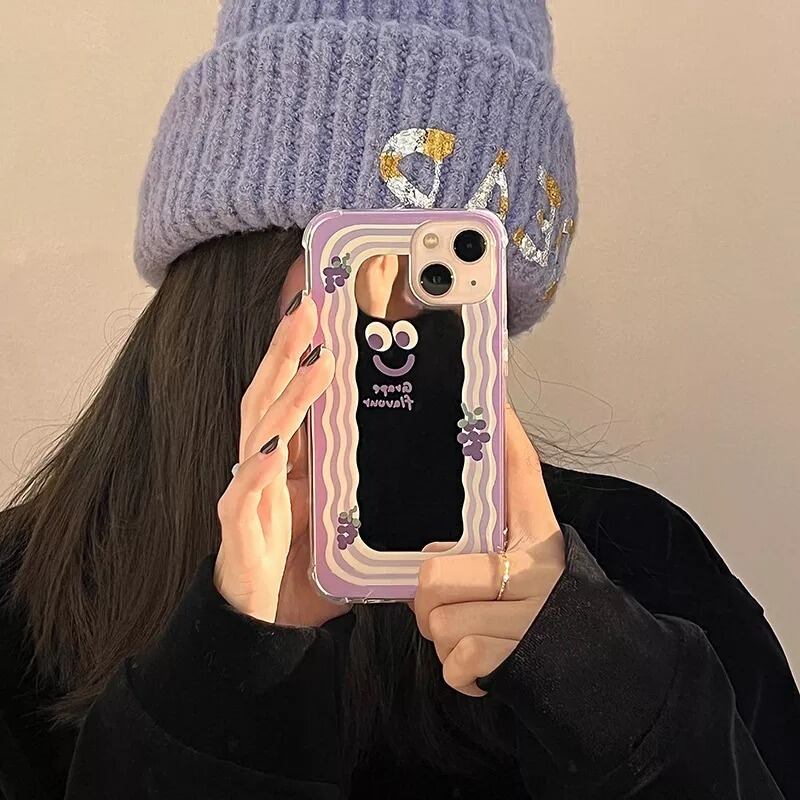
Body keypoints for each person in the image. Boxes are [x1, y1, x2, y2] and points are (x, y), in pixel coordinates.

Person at [1, 1, 798, 798]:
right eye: (360, 264)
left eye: (447, 285)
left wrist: (601, 681)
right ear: (229, 270)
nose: (399, 332)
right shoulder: (22, 602)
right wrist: (228, 671)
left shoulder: (643, 565)